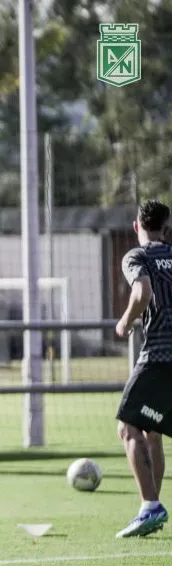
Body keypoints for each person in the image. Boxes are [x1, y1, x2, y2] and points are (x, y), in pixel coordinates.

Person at [113, 199, 171, 538]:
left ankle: (150, 506)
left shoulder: (137, 256)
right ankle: (152, 509)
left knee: (128, 427)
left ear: (137, 227)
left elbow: (143, 291)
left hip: (160, 355)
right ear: (166, 228)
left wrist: (125, 322)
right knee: (152, 431)